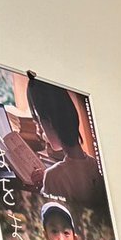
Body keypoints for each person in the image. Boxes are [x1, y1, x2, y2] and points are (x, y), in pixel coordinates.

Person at [25, 72, 103, 205]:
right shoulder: (95, 165)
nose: (40, 130)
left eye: (39, 121)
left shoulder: (53, 177)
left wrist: (43, 186)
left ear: (49, 122)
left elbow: (45, 206)